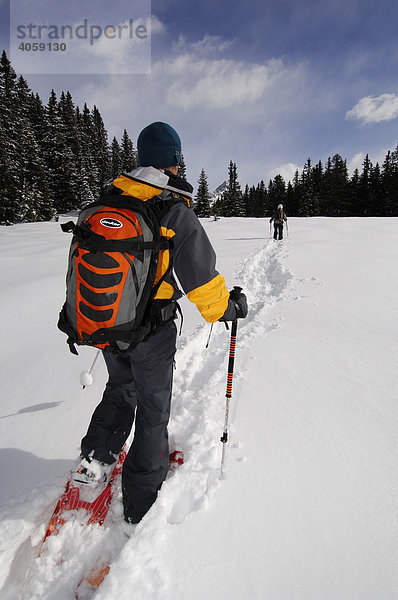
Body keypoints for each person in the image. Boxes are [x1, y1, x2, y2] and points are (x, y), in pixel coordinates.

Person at [73, 122, 248, 525]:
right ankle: (141, 496)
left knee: (120, 387)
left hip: (108, 324)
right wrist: (228, 309)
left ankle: (95, 455)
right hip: (151, 331)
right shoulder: (172, 209)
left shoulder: (109, 200)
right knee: (153, 409)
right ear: (173, 161)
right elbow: (202, 281)